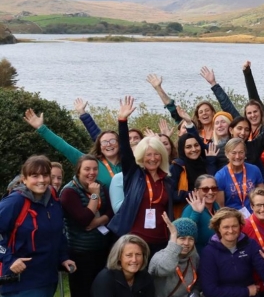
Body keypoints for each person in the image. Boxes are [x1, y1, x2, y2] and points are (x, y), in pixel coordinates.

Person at [1, 156, 74, 297]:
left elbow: (57, 233)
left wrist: (64, 257)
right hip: (21, 281)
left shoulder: (52, 198)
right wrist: (8, 258)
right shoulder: (14, 203)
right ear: (24, 179)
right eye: (35, 176)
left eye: (45, 175)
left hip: (46, 276)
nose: (41, 180)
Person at [59, 155, 113, 297]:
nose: (91, 173)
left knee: (98, 293)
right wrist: (94, 197)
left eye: (94, 169)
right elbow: (83, 218)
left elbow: (110, 212)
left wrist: (96, 223)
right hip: (80, 252)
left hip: (101, 248)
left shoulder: (100, 186)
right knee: (80, 295)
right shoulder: (69, 192)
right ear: (78, 170)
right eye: (87, 169)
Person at [108, 97, 175, 256]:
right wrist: (122, 120)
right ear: (141, 157)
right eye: (148, 155)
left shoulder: (167, 179)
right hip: (135, 241)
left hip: (161, 240)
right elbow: (124, 149)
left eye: (156, 154)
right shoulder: (134, 174)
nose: (153, 158)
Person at [24, 108, 122, 187]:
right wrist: (42, 128)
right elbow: (64, 147)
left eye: (113, 141)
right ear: (99, 146)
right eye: (104, 142)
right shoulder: (91, 163)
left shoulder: (129, 162)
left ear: (120, 143)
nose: (109, 144)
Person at [148, 216, 208, 297]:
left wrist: (195, 295)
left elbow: (197, 280)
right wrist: (173, 241)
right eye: (182, 238)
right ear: (173, 239)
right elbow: (166, 268)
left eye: (190, 239)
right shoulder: (160, 257)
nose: (186, 243)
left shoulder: (194, 257)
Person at [215, 138, 264, 215]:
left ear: (245, 153)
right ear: (226, 154)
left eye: (241, 152)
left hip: (254, 215)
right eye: (234, 153)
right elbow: (220, 206)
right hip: (233, 219)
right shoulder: (220, 176)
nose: (237, 156)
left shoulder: (254, 170)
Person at [181, 174, 222, 251]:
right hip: (199, 257)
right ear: (196, 191)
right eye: (205, 189)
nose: (210, 192)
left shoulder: (216, 206)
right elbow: (184, 235)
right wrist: (196, 213)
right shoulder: (190, 209)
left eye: (214, 188)